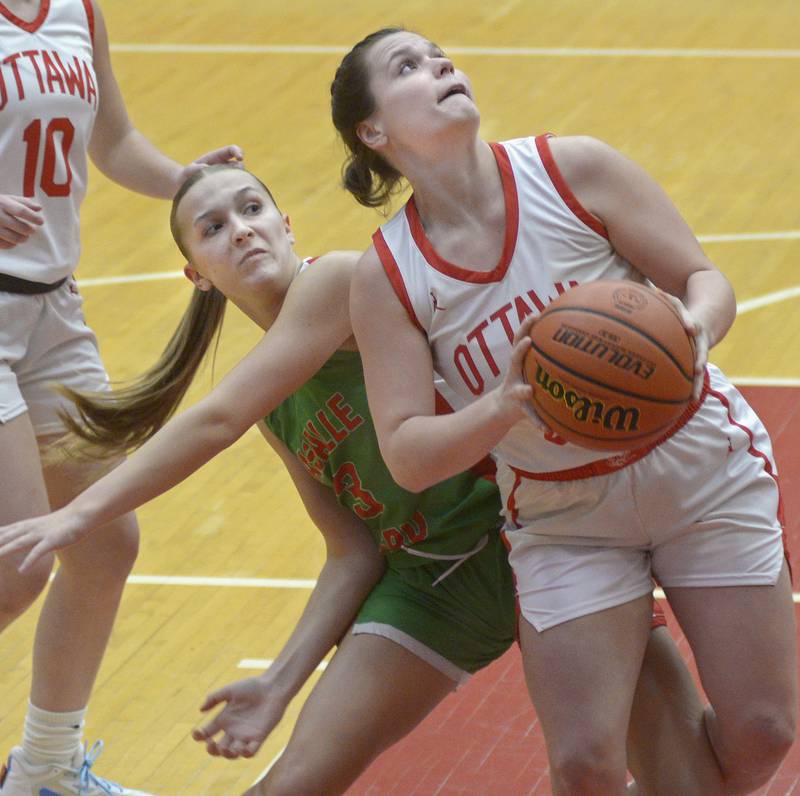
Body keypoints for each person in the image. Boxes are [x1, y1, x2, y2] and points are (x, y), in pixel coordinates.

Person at [0, 163, 717, 795]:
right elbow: (352, 552)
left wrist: (75, 516)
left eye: (252, 211)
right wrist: (279, 685)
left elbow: (213, 419)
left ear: (286, 225)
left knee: (686, 777)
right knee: (291, 787)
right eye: (213, 228)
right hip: (434, 583)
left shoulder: (339, 281)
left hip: (538, 535)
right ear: (196, 273)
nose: (242, 231)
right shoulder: (273, 404)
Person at [331, 27, 797, 796]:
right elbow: (408, 452)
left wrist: (694, 326)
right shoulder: (388, 275)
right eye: (407, 67)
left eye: (439, 54)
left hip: (696, 466)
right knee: (582, 768)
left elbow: (703, 278)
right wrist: (502, 405)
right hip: (565, 516)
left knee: (763, 735)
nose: (440, 66)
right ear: (372, 131)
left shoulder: (569, 168)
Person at [0, 1, 242, 794]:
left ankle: (43, 771)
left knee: (104, 544)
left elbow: (114, 144)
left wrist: (195, 185)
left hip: (50, 308)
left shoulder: (77, 8)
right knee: (18, 565)